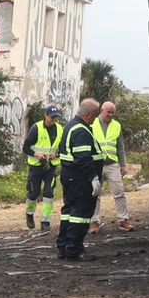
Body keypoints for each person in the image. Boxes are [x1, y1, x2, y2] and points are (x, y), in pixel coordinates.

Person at [55, 100, 102, 260]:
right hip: (80, 179)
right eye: (95, 116)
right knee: (80, 214)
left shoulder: (70, 126)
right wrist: (93, 178)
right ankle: (73, 250)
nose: (95, 120)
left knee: (69, 211)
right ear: (87, 114)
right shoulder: (81, 131)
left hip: (70, 176)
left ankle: (64, 247)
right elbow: (83, 158)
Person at [21, 105, 64, 232]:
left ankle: (46, 221)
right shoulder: (36, 128)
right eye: (52, 117)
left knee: (49, 193)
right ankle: (29, 214)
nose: (54, 120)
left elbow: (64, 148)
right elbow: (25, 148)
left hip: (51, 166)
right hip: (36, 166)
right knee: (34, 193)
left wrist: (56, 155)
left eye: (56, 117)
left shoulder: (60, 129)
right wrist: (36, 154)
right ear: (46, 115)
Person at [93, 99, 132, 230]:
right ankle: (94, 221)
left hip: (112, 164)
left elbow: (120, 146)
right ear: (102, 111)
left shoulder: (116, 125)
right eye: (108, 112)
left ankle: (124, 219)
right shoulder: (92, 124)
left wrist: (123, 164)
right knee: (95, 193)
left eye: (113, 113)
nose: (110, 115)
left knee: (119, 192)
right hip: (96, 164)